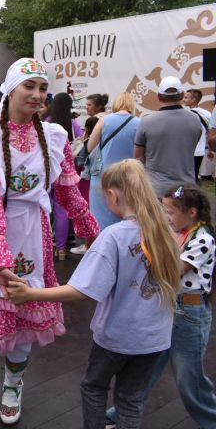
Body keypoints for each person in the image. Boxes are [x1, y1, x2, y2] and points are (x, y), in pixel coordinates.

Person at [0, 58, 99, 428]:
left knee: (23, 328)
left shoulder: (55, 137)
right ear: (10, 90)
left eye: (42, 89)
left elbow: (68, 190)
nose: (36, 95)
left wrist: (92, 231)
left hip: (33, 234)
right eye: (28, 87)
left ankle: (13, 389)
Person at [7, 159, 181, 429]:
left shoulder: (113, 236)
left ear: (112, 195)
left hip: (116, 337)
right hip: (155, 338)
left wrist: (30, 293)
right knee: (131, 399)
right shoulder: (167, 232)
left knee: (94, 387)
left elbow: (81, 291)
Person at [104, 183, 216, 428]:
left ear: (192, 213)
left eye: (170, 213)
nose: (166, 218)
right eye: (163, 212)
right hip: (168, 308)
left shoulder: (203, 240)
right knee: (148, 368)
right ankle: (120, 412)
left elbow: (173, 270)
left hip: (189, 314)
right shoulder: (178, 232)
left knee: (190, 380)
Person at [134, 76, 201, 198]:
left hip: (156, 189)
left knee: (157, 217)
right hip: (185, 189)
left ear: (159, 96)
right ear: (181, 95)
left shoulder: (146, 122)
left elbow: (138, 158)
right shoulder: (195, 120)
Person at [84, 92, 140, 232]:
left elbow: (90, 147)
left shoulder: (104, 120)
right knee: (127, 218)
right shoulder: (139, 123)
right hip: (128, 176)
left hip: (103, 176)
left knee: (100, 220)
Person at [48, 93, 83, 260]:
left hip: (48, 171)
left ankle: (45, 245)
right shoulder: (73, 124)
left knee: (43, 210)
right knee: (61, 211)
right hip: (66, 172)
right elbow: (80, 143)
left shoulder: (47, 122)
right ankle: (61, 249)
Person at [183, 88, 211, 181]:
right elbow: (210, 132)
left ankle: (192, 194)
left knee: (189, 176)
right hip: (200, 150)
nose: (184, 100)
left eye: (186, 98)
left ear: (193, 100)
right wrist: (210, 149)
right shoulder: (207, 113)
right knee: (194, 174)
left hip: (189, 150)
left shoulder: (188, 115)